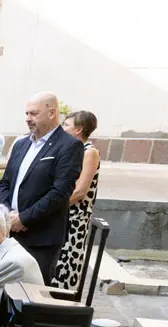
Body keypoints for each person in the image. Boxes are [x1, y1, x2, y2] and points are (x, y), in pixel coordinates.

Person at [0, 91, 84, 284]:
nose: (28, 119)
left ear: (52, 113)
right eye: (26, 113)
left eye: (33, 114)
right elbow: (6, 182)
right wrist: (5, 213)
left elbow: (60, 192)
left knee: (31, 296)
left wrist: (24, 218)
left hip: (40, 238)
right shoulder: (21, 144)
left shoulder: (69, 146)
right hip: (10, 232)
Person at [52, 110, 101, 291]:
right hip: (61, 212)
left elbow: (80, 190)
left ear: (79, 129)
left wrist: (53, 207)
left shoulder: (90, 152)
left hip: (74, 217)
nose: (62, 128)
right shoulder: (68, 149)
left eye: (66, 125)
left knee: (66, 264)